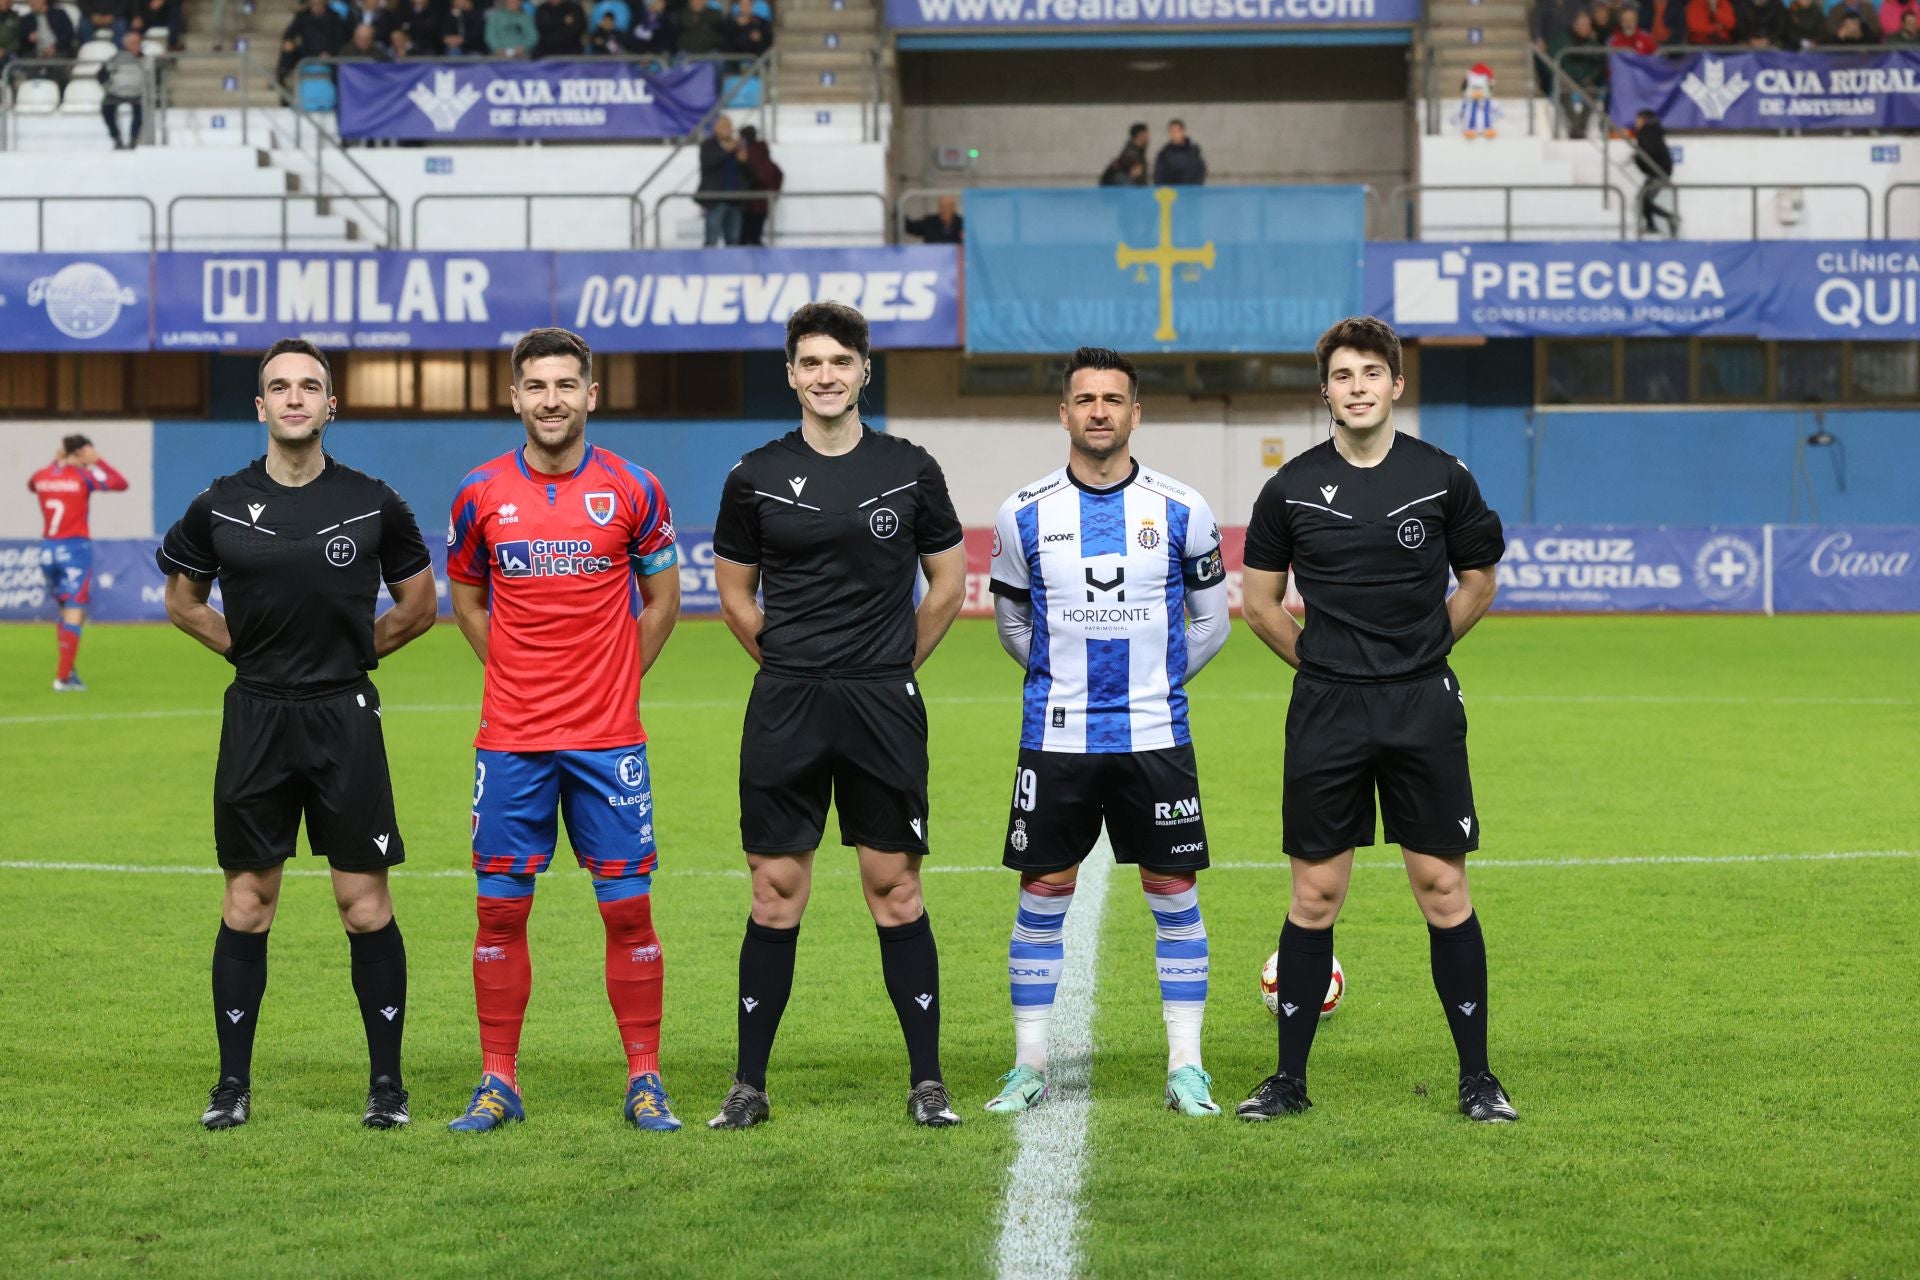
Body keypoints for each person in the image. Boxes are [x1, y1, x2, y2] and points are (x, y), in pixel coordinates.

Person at [1233, 316, 1512, 1126]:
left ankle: (1478, 1079)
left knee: (1442, 886)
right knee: (1316, 895)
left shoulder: (1442, 476)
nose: (1357, 388)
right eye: (1342, 376)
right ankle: (1287, 1081)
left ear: (1396, 385)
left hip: (1421, 705)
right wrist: (1328, 666)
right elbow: (1259, 604)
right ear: (1325, 392)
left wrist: (1418, 654)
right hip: (1328, 710)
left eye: (1371, 374)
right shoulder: (1288, 487)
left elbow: (1479, 581)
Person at [157, 339, 437, 1132]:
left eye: (308, 386)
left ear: (329, 405)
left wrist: (351, 659)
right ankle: (231, 1087)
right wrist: (238, 649)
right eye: (278, 386)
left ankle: (388, 1087)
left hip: (344, 717)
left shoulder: (373, 501)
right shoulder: (218, 502)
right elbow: (183, 600)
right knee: (248, 901)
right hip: (255, 716)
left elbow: (418, 605)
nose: (293, 398)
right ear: (260, 407)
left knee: (363, 903)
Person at [708, 302, 967, 1130]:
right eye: (810, 363)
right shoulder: (752, 475)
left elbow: (949, 586)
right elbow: (736, 595)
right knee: (775, 890)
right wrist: (793, 667)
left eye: (840, 362)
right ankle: (749, 1084)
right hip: (788, 703)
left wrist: (889, 669)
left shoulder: (910, 468)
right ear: (792, 373)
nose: (826, 376)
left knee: (894, 888)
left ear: (864, 371)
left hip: (881, 704)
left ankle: (927, 1081)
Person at [444, 328, 683, 1134]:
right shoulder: (479, 493)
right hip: (510, 738)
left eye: (565, 385)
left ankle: (645, 1079)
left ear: (591, 395)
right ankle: (496, 1080)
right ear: (514, 398)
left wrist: (614, 678)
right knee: (498, 913)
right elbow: (468, 600)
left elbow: (664, 602)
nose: (551, 399)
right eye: (536, 386)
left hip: (607, 740)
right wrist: (512, 671)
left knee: (628, 911)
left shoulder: (635, 488)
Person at [981, 347, 1231, 1119]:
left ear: (1134, 413)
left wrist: (1148, 678)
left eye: (1112, 399)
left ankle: (1186, 1065)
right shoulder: (1023, 512)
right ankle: (1028, 1065)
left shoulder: (1181, 508)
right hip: (1056, 739)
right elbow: (1013, 623)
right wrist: (1070, 678)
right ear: (1064, 413)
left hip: (1155, 734)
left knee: (1172, 889)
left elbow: (1212, 622)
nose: (1098, 411)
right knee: (1045, 888)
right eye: (1084, 399)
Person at [28, 433, 129, 692]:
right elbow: (120, 483)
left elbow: (32, 483)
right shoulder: (84, 476)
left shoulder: (43, 476)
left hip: (48, 550)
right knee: (75, 610)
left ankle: (69, 670)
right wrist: (99, 461)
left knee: (65, 611)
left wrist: (56, 461)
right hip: (75, 550)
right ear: (83, 452)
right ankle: (63, 678)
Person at [1548, 10, 1608, 139]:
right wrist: (1563, 76)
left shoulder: (1593, 43)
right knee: (1563, 92)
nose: (1587, 28)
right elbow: (1553, 60)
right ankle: (1576, 126)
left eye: (1588, 25)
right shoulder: (1561, 39)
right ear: (1575, 25)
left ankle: (1579, 127)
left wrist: (1590, 77)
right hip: (1566, 80)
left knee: (1593, 92)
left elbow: (1599, 65)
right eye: (1583, 25)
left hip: (1585, 81)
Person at [697, 114, 746, 246]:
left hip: (735, 200)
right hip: (716, 200)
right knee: (712, 238)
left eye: (730, 126)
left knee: (734, 239)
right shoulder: (708, 145)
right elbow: (709, 162)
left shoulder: (738, 146)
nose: (729, 129)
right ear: (715, 128)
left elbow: (747, 172)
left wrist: (744, 160)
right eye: (725, 126)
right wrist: (726, 150)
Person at [96, 29, 146, 149]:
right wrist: (108, 87)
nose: (135, 46)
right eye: (132, 43)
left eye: (137, 43)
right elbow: (101, 75)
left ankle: (134, 138)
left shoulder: (146, 61)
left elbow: (155, 77)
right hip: (115, 93)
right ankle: (116, 137)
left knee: (142, 109)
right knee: (106, 108)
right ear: (125, 44)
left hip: (138, 94)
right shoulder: (114, 59)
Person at [1633, 109, 1678, 237]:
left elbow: (1647, 153)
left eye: (1637, 119)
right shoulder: (1652, 131)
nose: (1635, 123)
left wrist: (1637, 158)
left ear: (1644, 120)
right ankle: (1652, 224)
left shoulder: (1646, 133)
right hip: (1657, 172)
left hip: (1658, 173)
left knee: (1644, 200)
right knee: (1642, 199)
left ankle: (1668, 218)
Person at [278, 0, 347, 82]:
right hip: (307, 51)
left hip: (327, 53)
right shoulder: (302, 16)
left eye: (319, 4)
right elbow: (289, 33)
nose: (316, 6)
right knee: (287, 49)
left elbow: (339, 40)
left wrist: (330, 52)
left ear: (324, 3)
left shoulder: (334, 17)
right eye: (313, 3)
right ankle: (280, 79)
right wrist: (288, 41)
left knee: (339, 64)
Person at [738, 123, 782, 246]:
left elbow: (756, 176)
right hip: (762, 202)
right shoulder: (763, 153)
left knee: (744, 239)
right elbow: (777, 174)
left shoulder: (748, 154)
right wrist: (774, 192)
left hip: (749, 203)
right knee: (755, 238)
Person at [1152, 119, 1207, 186]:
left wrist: (1194, 189)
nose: (1173, 134)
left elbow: (1200, 171)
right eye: (1171, 131)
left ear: (1183, 131)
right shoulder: (1163, 154)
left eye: (1176, 131)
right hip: (1171, 193)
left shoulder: (1194, 151)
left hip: (1191, 192)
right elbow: (1158, 176)